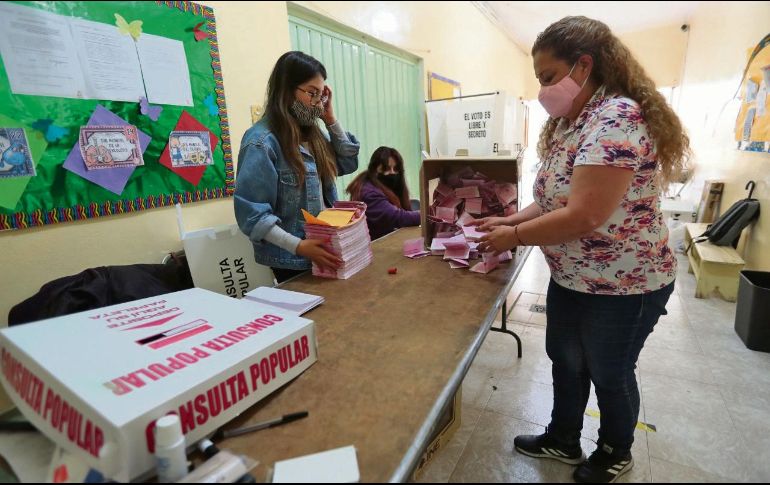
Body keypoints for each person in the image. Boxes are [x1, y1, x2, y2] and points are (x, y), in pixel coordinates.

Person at [472, 16, 690, 483]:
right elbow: (554, 198)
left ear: (584, 66)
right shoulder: (572, 123)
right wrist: (510, 220)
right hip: (573, 275)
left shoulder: (618, 118)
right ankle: (563, 438)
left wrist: (515, 238)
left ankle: (615, 451)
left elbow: (585, 214)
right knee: (566, 361)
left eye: (549, 76)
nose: (543, 91)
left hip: (625, 283)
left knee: (610, 371)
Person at [234, 51, 360, 283]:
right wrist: (299, 246)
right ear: (287, 89)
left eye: (321, 95)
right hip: (291, 257)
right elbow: (252, 215)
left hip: (325, 245)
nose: (317, 102)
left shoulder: (313, 135)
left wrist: (330, 119)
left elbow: (347, 163)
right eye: (312, 93)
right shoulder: (261, 142)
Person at [346, 146, 420, 240]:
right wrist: (427, 215)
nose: (392, 173)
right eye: (386, 169)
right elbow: (397, 217)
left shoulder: (384, 188)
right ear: (374, 170)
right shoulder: (369, 194)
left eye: (395, 169)